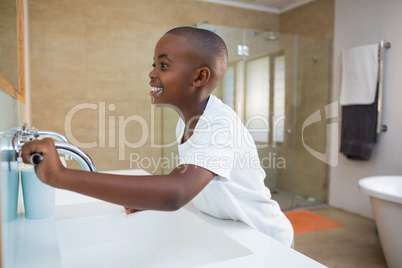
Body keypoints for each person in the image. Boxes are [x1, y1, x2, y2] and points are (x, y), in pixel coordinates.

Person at [21, 26, 294, 247]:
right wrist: (145, 198)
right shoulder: (187, 121)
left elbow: (176, 191)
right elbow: (185, 178)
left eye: (163, 65)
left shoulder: (220, 125)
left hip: (266, 239)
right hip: (231, 229)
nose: (152, 73)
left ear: (199, 77)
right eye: (154, 64)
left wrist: (60, 175)